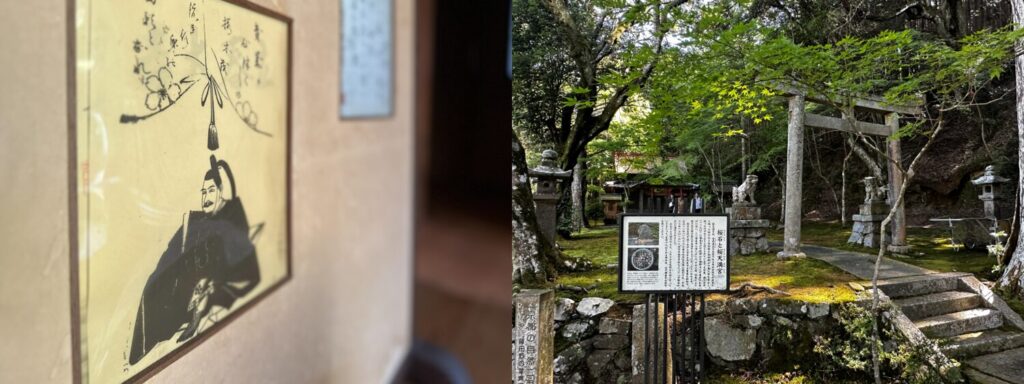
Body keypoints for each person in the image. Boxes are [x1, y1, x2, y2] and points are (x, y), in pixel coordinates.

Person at [129, 155, 261, 364]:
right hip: (180, 295)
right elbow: (169, 258)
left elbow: (245, 270)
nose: (205, 197)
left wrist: (210, 287)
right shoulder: (192, 223)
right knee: (152, 289)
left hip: (206, 292)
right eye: (203, 192)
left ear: (221, 191)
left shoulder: (231, 222)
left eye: (210, 191)